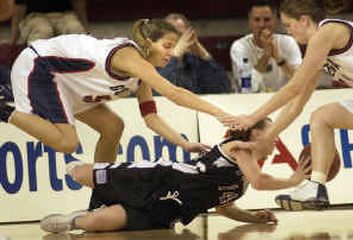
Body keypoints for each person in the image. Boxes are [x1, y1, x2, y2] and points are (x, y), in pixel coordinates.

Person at [220, 0, 353, 211]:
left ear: (303, 20)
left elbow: (293, 87)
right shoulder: (319, 52)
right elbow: (296, 105)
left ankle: (315, 186)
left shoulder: (328, 32)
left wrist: (252, 119)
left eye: (288, 25)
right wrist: (268, 138)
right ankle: (316, 187)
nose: (287, 31)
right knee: (322, 117)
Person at [0, 19, 228, 164]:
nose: (170, 53)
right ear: (149, 43)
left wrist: (184, 144)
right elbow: (175, 94)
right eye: (166, 46)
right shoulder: (130, 56)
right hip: (41, 65)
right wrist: (222, 114)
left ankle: (102, 190)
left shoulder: (141, 73)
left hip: (68, 84)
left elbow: (151, 117)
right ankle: (3, 109)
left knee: (113, 126)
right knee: (67, 143)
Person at [39, 118, 310, 233]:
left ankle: (72, 220)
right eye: (270, 131)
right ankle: (71, 160)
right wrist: (294, 180)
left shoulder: (242, 180)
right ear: (254, 134)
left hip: (166, 211)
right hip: (160, 178)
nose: (276, 138)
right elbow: (262, 182)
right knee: (80, 173)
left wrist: (254, 218)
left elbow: (223, 207)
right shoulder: (237, 149)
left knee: (95, 223)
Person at [230, 0, 302, 93]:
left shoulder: (288, 42)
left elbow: (300, 81)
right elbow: (248, 89)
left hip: (284, 98)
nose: (262, 25)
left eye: (267, 20)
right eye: (257, 20)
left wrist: (279, 59)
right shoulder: (239, 47)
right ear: (250, 22)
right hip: (252, 101)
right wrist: (266, 55)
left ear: (275, 21)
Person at [157, 13, 231, 94]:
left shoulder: (194, 60)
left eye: (182, 35)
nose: (180, 40)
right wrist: (175, 55)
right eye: (172, 35)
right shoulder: (155, 61)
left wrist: (204, 55)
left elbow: (223, 89)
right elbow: (160, 92)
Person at [10, 0, 89, 45]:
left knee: (75, 29)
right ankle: (39, 67)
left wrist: (86, 30)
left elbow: (80, 6)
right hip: (35, 16)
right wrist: (13, 40)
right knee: (43, 32)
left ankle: (79, 67)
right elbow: (18, 11)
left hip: (65, 15)